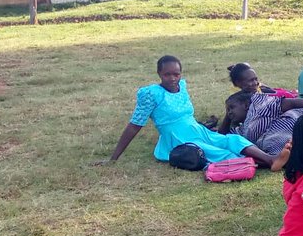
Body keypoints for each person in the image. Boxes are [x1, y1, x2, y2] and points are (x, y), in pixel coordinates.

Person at [102, 56, 275, 167]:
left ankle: (269, 159)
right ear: (159, 73)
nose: (172, 78)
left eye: (176, 74)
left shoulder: (182, 86)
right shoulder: (151, 94)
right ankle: (264, 164)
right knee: (217, 152)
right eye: (167, 74)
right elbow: (134, 126)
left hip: (198, 131)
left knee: (233, 139)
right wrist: (113, 158)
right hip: (178, 139)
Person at [220, 62, 303, 155]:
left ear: (246, 106)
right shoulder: (241, 124)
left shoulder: (260, 101)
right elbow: (221, 136)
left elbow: (290, 103)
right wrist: (228, 114)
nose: (255, 83)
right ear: (238, 83)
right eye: (250, 81)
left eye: (256, 79)